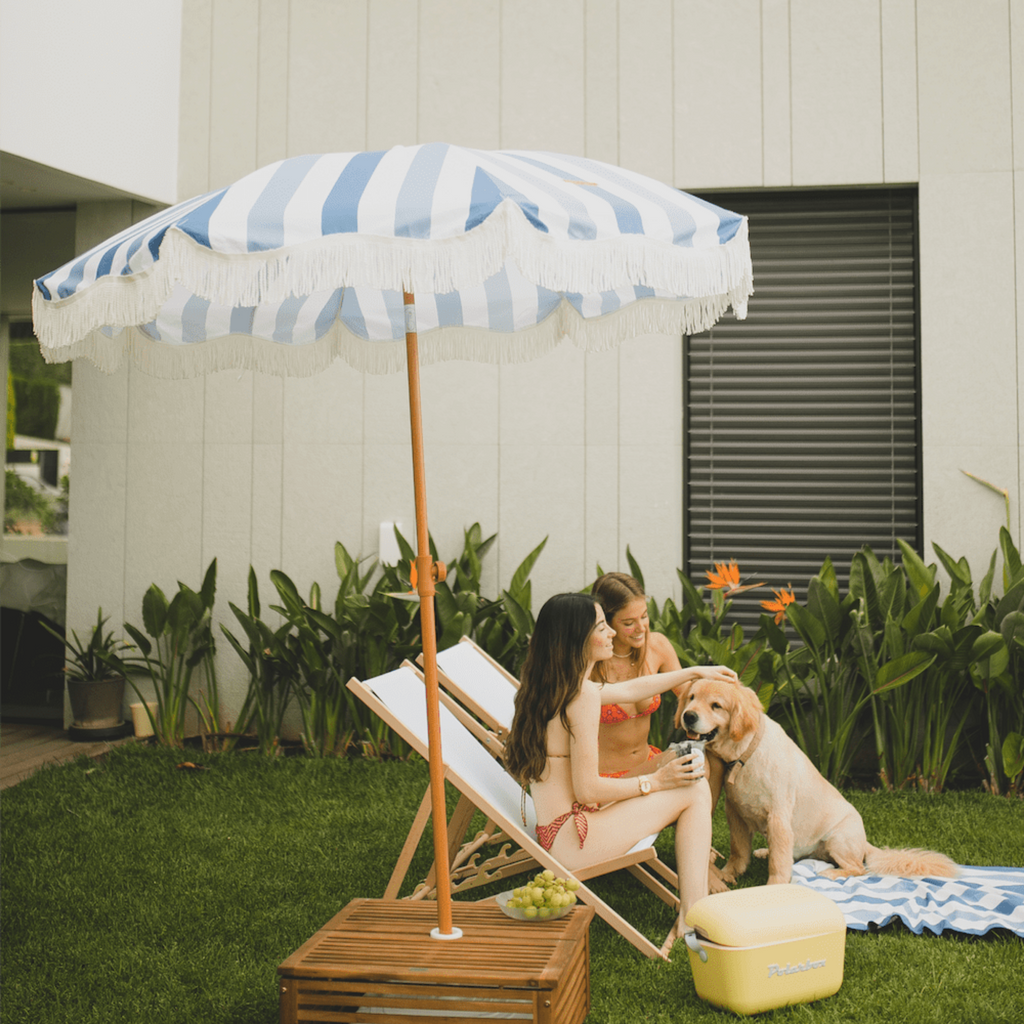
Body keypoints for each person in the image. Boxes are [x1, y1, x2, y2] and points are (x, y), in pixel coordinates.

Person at [503, 592, 740, 948]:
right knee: (693, 788)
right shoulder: (578, 697)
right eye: (602, 627)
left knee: (674, 761)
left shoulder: (556, 685)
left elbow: (631, 688)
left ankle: (693, 907)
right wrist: (655, 782)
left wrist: (694, 672)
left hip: (562, 829)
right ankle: (692, 914)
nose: (612, 633)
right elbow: (589, 791)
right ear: (578, 639)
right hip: (576, 839)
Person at [591, 572, 682, 778]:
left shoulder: (657, 646)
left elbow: (689, 693)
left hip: (647, 764)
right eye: (629, 623)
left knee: (701, 764)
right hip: (605, 777)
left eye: (644, 616)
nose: (641, 628)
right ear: (606, 622)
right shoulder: (589, 659)